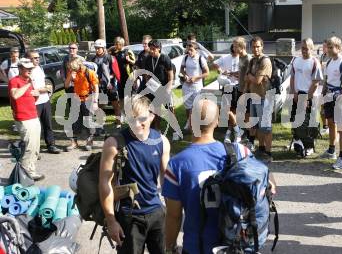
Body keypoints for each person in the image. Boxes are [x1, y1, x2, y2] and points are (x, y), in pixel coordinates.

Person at [162, 99, 267, 254]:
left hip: (197, 246)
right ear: (217, 122)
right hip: (237, 245)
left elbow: (174, 216)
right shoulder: (241, 152)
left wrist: (169, 247)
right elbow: (266, 181)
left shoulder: (176, 164)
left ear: (190, 121)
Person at [99, 95, 170, 254]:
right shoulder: (113, 143)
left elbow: (165, 179)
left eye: (142, 118)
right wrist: (111, 221)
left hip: (156, 213)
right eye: (131, 118)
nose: (136, 124)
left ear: (152, 116)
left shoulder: (162, 142)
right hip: (129, 217)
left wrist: (170, 212)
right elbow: (104, 183)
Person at [8, 58, 44, 181]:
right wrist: (28, 84)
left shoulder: (29, 81)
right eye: (27, 68)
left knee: (35, 146)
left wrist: (36, 95)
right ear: (20, 68)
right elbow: (15, 95)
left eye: (31, 68)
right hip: (23, 118)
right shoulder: (14, 81)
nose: (30, 70)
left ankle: (30, 171)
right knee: (29, 145)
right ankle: (24, 174)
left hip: (33, 115)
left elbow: (32, 98)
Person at [137, 39, 180, 141]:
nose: (151, 51)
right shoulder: (148, 59)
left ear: (159, 49)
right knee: (155, 110)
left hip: (165, 88)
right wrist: (149, 85)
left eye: (153, 49)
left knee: (170, 110)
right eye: (150, 49)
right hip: (154, 89)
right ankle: (157, 130)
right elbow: (146, 74)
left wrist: (168, 89)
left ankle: (176, 131)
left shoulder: (165, 58)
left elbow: (170, 74)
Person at [320, 36, 342, 169]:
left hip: (339, 98)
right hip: (329, 96)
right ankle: (332, 150)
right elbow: (326, 81)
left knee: (340, 127)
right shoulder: (329, 62)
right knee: (331, 123)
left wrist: (341, 99)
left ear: (339, 48)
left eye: (331, 46)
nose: (328, 48)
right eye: (327, 46)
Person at [289, 38, 323, 156]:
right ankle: (298, 142)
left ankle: (309, 146)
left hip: (309, 96)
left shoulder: (314, 62)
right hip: (297, 95)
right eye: (302, 48)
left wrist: (307, 99)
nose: (304, 50)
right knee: (295, 120)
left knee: (309, 122)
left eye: (306, 48)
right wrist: (294, 93)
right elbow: (292, 78)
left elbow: (315, 83)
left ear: (311, 49)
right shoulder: (296, 60)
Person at [28, 50, 61, 154]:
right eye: (35, 58)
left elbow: (42, 83)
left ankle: (51, 145)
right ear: (29, 59)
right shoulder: (27, 71)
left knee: (48, 124)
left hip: (45, 100)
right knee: (35, 127)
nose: (38, 59)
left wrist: (46, 88)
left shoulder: (39, 68)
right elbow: (31, 90)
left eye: (38, 57)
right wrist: (45, 89)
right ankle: (35, 149)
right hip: (34, 103)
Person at [245, 36, 273, 159]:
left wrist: (250, 76)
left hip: (264, 97)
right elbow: (248, 78)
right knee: (256, 126)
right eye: (253, 46)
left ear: (262, 47)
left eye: (258, 46)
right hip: (254, 96)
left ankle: (268, 152)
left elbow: (257, 80)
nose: (256, 49)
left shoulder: (265, 61)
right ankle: (261, 148)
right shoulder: (252, 61)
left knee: (266, 127)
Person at [64, 57, 99, 151]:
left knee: (89, 121)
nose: (71, 69)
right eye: (70, 68)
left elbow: (96, 87)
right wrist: (70, 76)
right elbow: (66, 85)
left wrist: (95, 101)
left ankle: (89, 141)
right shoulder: (72, 72)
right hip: (76, 100)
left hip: (88, 99)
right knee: (74, 121)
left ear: (79, 64)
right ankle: (74, 142)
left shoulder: (89, 72)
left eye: (73, 67)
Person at [213, 44, 242, 143]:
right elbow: (215, 64)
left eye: (238, 48)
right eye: (234, 48)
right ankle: (237, 130)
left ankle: (229, 132)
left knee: (234, 111)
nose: (236, 50)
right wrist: (221, 71)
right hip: (227, 86)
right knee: (226, 110)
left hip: (238, 86)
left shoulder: (242, 58)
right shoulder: (225, 57)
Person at [91, 39, 121, 129]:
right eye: (96, 48)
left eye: (98, 48)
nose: (96, 50)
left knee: (115, 104)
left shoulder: (110, 58)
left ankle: (118, 122)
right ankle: (100, 123)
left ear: (103, 48)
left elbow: (116, 72)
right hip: (100, 86)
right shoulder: (93, 59)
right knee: (101, 105)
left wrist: (113, 81)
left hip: (111, 85)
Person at [179, 41, 209, 131]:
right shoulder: (185, 58)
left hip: (197, 86)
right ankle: (189, 123)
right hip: (186, 85)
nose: (189, 52)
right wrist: (185, 75)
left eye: (191, 50)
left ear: (196, 50)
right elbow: (181, 69)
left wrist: (196, 78)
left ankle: (197, 124)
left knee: (197, 106)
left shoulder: (200, 58)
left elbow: (207, 73)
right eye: (188, 50)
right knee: (188, 106)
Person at [109, 36, 136, 121]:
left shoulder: (127, 51)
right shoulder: (114, 53)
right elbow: (106, 53)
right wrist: (111, 48)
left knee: (129, 96)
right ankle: (123, 114)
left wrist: (129, 60)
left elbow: (134, 62)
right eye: (115, 44)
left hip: (128, 77)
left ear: (122, 44)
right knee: (121, 97)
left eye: (118, 44)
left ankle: (132, 114)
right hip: (119, 78)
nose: (117, 46)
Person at [233, 36, 252, 142]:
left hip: (246, 90)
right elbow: (242, 73)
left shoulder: (248, 59)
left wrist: (245, 90)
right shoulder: (239, 57)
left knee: (247, 114)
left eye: (236, 47)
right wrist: (232, 74)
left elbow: (249, 76)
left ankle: (249, 136)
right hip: (240, 88)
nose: (234, 49)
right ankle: (243, 132)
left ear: (241, 47)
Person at [319, 41, 329, 135]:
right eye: (323, 46)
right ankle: (325, 126)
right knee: (321, 106)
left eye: (325, 46)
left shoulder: (332, 57)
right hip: (322, 85)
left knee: (328, 107)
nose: (323, 48)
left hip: (330, 86)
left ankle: (331, 127)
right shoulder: (322, 56)